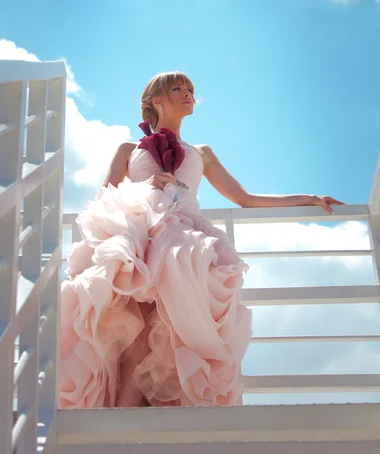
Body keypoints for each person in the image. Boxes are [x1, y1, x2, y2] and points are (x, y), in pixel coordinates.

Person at [59, 71, 345, 409]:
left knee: (170, 333)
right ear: (157, 101)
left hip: (184, 243)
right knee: (134, 337)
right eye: (178, 88)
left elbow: (244, 198)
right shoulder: (128, 148)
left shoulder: (202, 152)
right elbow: (103, 196)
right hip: (138, 234)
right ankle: (118, 426)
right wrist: (142, 189)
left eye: (191, 89)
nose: (188, 94)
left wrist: (306, 197)